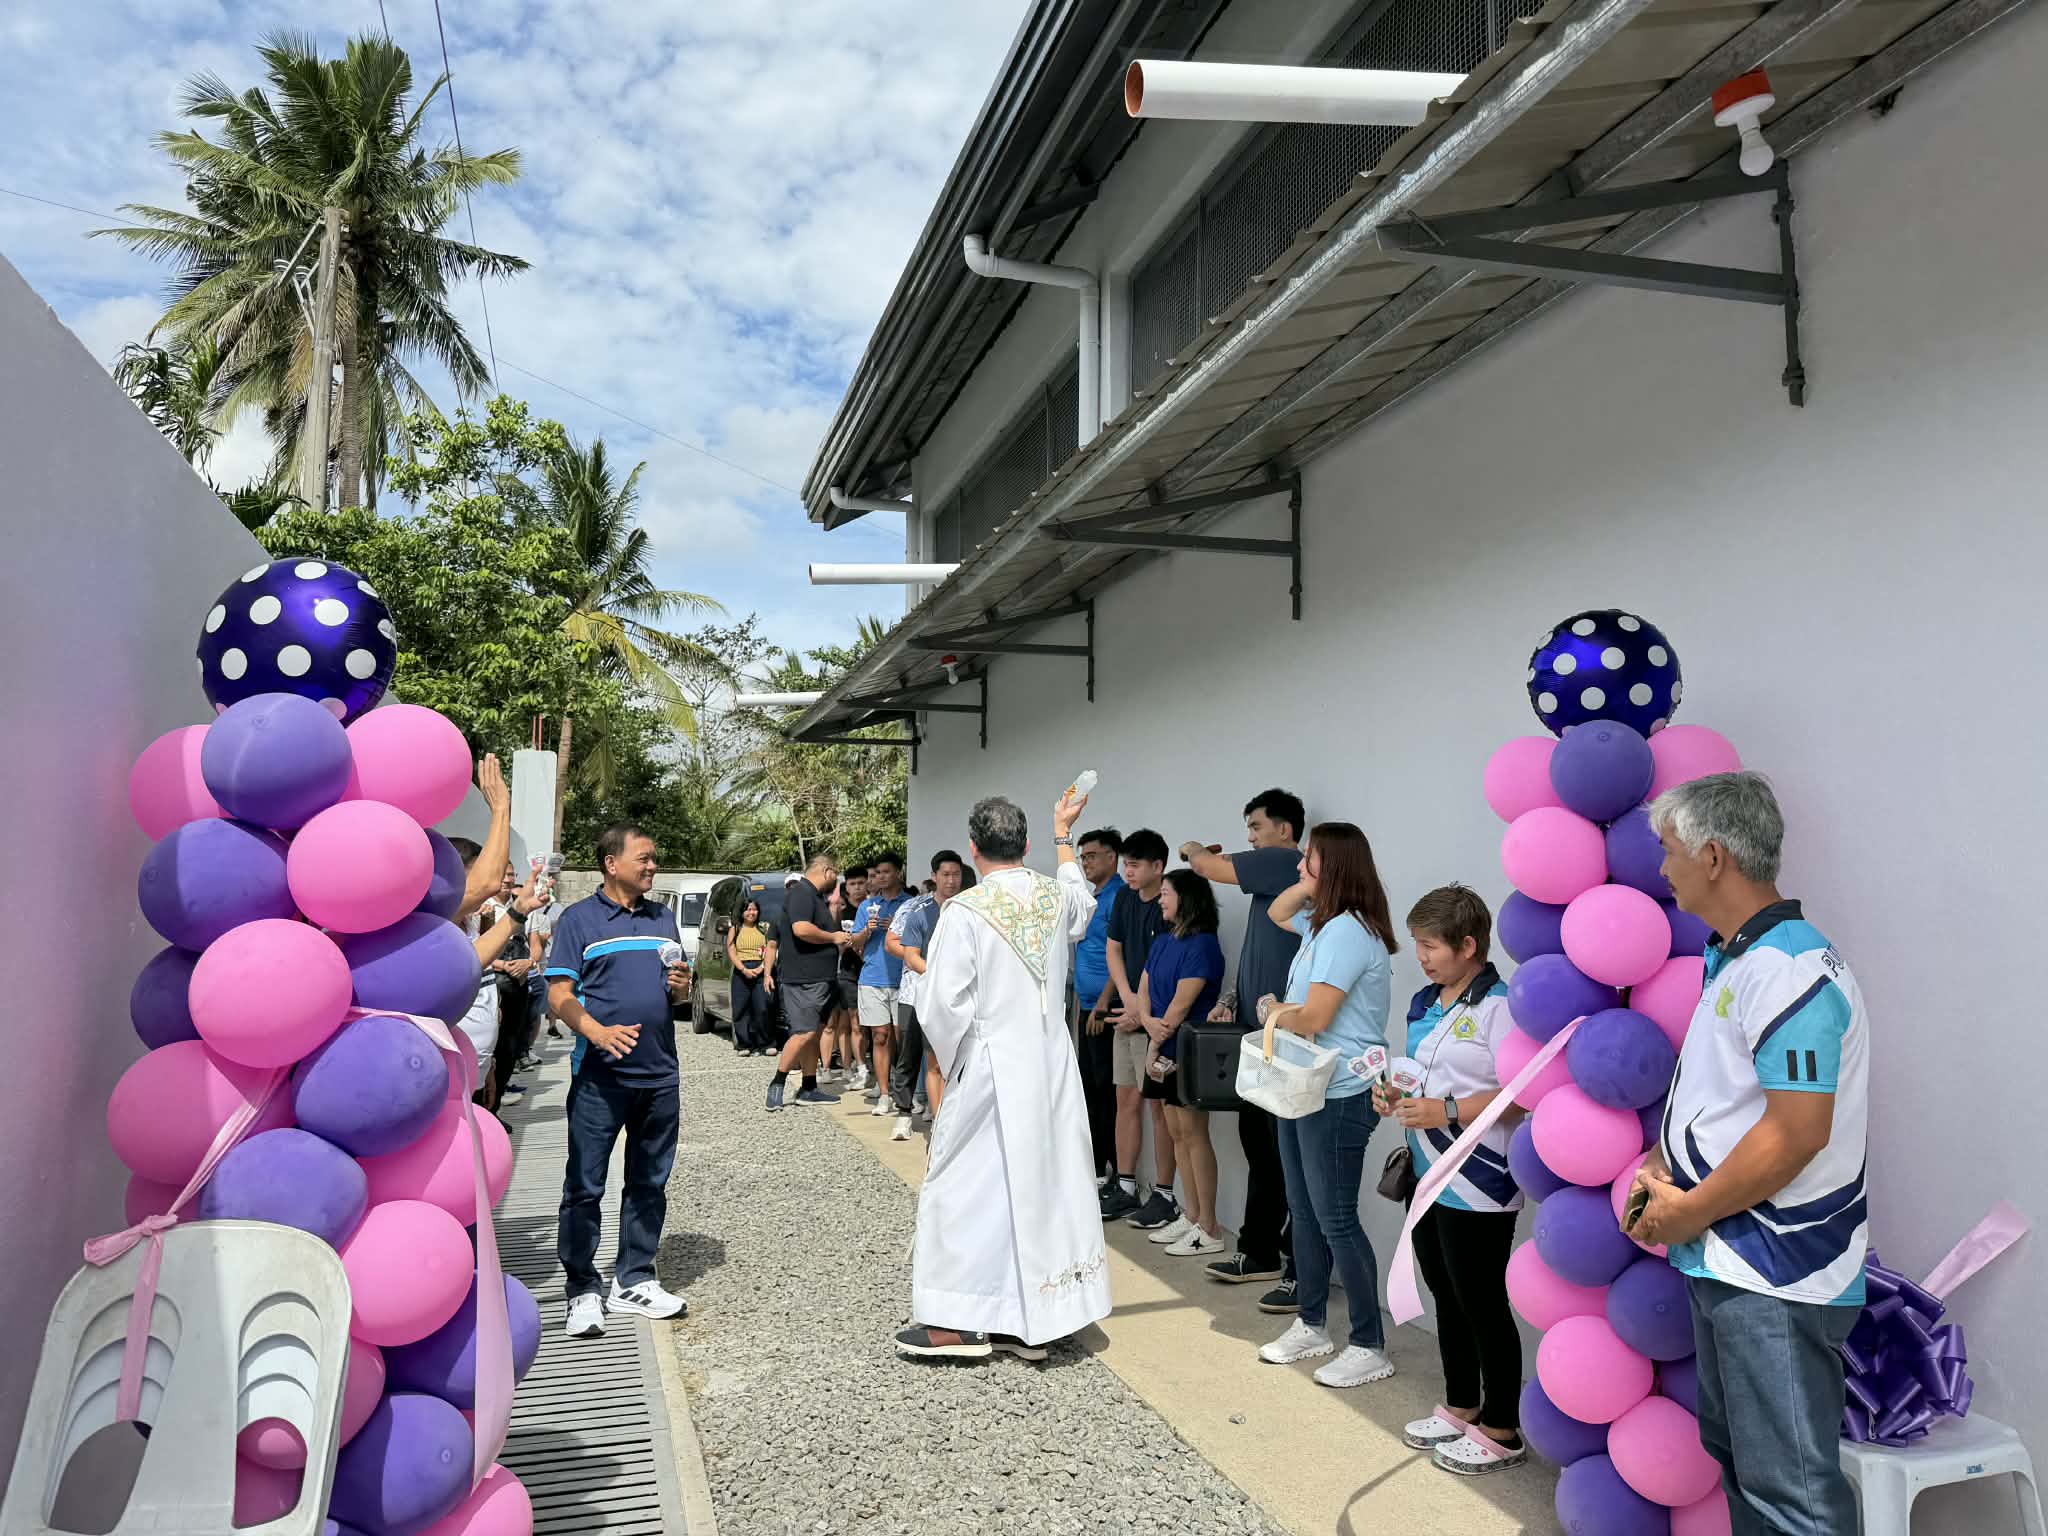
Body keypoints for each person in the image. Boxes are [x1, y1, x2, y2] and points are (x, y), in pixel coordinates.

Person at [1629, 773, 1868, 1536]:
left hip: (1776, 1270)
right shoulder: (1738, 960)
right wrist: (1664, 1162)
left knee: (1790, 1493)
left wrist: (1689, 1211)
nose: (1661, 868)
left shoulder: (1787, 970)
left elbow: (1796, 1131)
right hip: (1731, 1259)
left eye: (1669, 851)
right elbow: (1730, 1101)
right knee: (1742, 1463)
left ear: (1712, 857)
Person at [895, 790, 1109, 1361]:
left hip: (991, 1063)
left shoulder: (965, 911)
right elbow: (1082, 903)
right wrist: (1064, 835)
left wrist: (958, 1060)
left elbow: (941, 1004)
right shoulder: (1055, 897)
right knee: (1043, 1185)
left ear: (973, 849)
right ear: (1026, 844)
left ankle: (958, 1322)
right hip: (1051, 1063)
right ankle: (1032, 1321)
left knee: (963, 1186)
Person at [1383, 885, 1527, 1475]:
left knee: (1481, 1299)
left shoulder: (1502, 1006)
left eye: (1431, 946)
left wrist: (1445, 1110)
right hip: (1426, 1170)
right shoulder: (1426, 1001)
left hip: (1481, 1177)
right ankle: (1463, 1403)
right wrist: (1393, 1095)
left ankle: (1503, 1426)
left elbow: (1521, 1094)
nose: (1421, 956)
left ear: (1469, 946)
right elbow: (1422, 1075)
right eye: (1417, 944)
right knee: (1445, 1289)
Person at [1256, 822, 1397, 1389]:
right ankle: (1311, 1324)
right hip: (1307, 1087)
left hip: (1338, 1093)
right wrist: (1312, 881)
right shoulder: (1325, 924)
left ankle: (1368, 1343)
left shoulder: (1346, 932)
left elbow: (1314, 1018)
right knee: (1305, 1210)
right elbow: (1276, 912)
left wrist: (1273, 1011)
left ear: (1333, 866)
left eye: (1308, 858)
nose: (1297, 867)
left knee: (1335, 1218)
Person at [546, 823, 693, 1337]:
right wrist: (596, 1032)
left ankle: (634, 1278)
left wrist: (681, 988)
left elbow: (675, 994)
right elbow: (558, 995)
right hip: (600, 1077)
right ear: (612, 863)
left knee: (650, 1182)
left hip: (660, 1074)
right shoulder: (578, 920)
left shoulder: (663, 917)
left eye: (653, 858)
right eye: (643, 858)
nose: (652, 865)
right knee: (585, 1185)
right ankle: (582, 1288)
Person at [1178, 788, 1306, 1304]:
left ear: (1284, 829)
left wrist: (1193, 850)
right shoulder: (1270, 880)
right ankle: (1259, 1253)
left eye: (1256, 826)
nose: (1250, 837)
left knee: (1287, 1155)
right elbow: (1257, 953)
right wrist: (1232, 998)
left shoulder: (1285, 862)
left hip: (1288, 1040)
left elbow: (1206, 866)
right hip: (1258, 1037)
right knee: (1261, 1148)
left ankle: (1299, 1265)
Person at [1135, 869, 1228, 1258]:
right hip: (1160, 1045)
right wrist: (1146, 1021)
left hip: (1186, 1050)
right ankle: (1191, 1216)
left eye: (1167, 893)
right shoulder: (1163, 940)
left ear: (1187, 899)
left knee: (1194, 1134)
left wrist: (1154, 1044)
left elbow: (1181, 1005)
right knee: (1175, 1132)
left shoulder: (1203, 945)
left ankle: (1209, 1226)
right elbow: (1144, 987)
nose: (1160, 900)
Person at [1099, 830, 1175, 1228]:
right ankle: (1126, 1186)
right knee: (1125, 1100)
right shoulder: (1125, 898)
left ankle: (1165, 1193)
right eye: (1125, 864)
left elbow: (1165, 966)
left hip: (1158, 1023)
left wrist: (1140, 1011)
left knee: (1160, 1109)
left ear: (1158, 867)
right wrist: (1128, 999)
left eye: (1134, 865)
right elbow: (1114, 949)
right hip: (1128, 1015)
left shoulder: (1170, 903)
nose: (1127, 872)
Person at [885, 849, 965, 1141]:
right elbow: (904, 951)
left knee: (940, 1059)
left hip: (953, 998)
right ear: (934, 876)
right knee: (908, 1054)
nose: (951, 880)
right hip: (915, 993)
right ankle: (904, 1112)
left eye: (956, 875)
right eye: (946, 875)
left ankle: (944, 1119)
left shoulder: (967, 909)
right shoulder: (918, 911)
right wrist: (936, 973)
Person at [765, 853, 849, 1110]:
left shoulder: (814, 896)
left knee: (813, 1034)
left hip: (819, 979)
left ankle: (809, 1087)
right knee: (804, 1033)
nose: (836, 880)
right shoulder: (801, 893)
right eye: (835, 873)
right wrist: (833, 937)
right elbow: (801, 929)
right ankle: (777, 1084)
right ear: (826, 870)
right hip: (804, 979)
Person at [1072, 828, 1124, 1187]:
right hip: (1087, 1006)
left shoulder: (1119, 897)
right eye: (1083, 857)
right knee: (1090, 1089)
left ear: (1112, 857)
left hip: (1106, 1008)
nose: (1086, 863)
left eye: (1092, 856)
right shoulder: (1095, 897)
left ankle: (1115, 1172)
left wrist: (1104, 1002)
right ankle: (1094, 1168)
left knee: (1107, 1092)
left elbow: (1121, 953)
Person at [854, 853, 910, 1116]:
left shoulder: (910, 904)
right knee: (879, 1035)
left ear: (898, 872)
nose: (881, 877)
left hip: (903, 979)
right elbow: (854, 942)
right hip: (872, 978)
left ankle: (907, 1092)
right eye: (877, 873)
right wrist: (868, 930)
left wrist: (894, 929)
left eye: (887, 871)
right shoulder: (867, 906)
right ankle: (884, 1093)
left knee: (903, 1038)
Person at [828, 865, 869, 1083]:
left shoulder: (874, 909)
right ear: (847, 888)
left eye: (861, 883)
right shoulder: (842, 914)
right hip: (849, 972)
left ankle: (871, 1064)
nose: (857, 888)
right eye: (853, 884)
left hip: (872, 972)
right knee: (854, 1023)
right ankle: (856, 1067)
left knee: (876, 1027)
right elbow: (836, 943)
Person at [726, 897, 773, 1056]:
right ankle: (744, 1044)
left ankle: (766, 1043)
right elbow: (731, 949)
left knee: (763, 1007)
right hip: (741, 970)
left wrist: (762, 968)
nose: (751, 913)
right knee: (741, 1009)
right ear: (742, 912)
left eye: (754, 909)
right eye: (748, 909)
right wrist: (743, 969)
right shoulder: (735, 929)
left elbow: (771, 949)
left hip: (761, 969)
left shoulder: (764, 928)